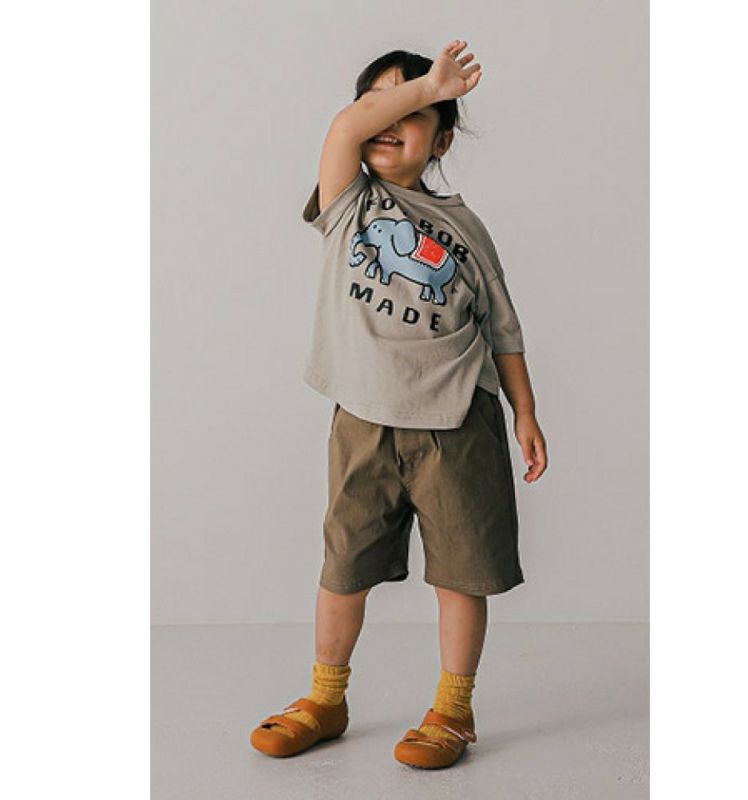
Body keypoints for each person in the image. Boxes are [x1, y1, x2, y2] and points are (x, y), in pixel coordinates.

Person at [250, 40, 548, 769]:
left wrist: (525, 412)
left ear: (441, 140)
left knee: (461, 575)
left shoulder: (466, 231)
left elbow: (503, 328)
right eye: (382, 102)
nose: (391, 119)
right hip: (364, 420)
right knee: (343, 569)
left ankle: (453, 709)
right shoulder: (350, 201)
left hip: (457, 423)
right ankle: (326, 697)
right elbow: (345, 128)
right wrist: (423, 87)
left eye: (416, 111)